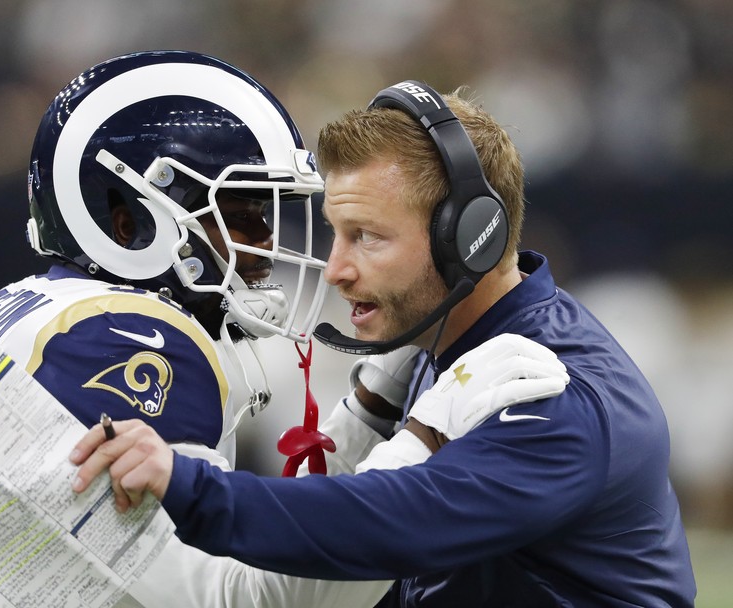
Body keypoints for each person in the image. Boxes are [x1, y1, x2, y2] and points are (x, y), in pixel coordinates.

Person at [0, 54, 569, 608]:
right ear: (128, 221)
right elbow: (251, 598)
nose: (266, 249)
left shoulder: (29, 310)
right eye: (241, 214)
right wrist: (425, 434)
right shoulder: (131, 336)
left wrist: (367, 411)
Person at [72, 80, 697, 606]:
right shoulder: (442, 346)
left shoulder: (552, 392)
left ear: (467, 237)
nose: (335, 269)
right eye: (336, 234)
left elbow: (387, 525)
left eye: (367, 236)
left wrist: (186, 483)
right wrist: (367, 418)